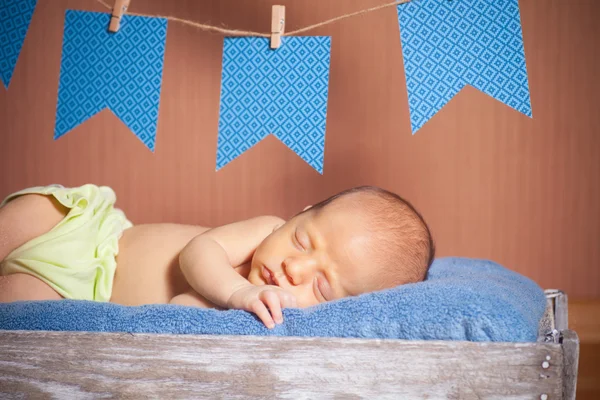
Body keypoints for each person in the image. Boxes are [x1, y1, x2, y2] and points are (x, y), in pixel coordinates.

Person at [0, 184, 434, 328]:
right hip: (93, 232)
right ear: (298, 216)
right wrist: (235, 291)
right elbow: (199, 251)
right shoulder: (265, 230)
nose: (293, 268)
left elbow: (176, 311)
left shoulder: (246, 318)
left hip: (77, 289)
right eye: (303, 241)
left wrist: (230, 307)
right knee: (34, 210)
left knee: (18, 309)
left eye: (320, 287)